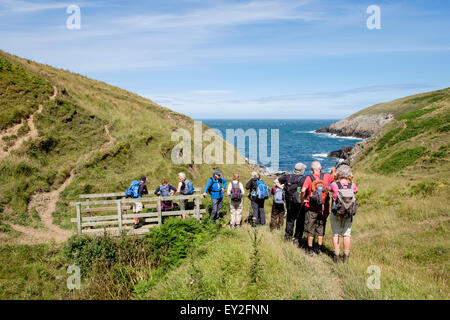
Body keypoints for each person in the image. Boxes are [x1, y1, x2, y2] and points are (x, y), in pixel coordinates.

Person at [301, 161, 334, 256]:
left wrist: (303, 200)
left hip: (311, 208)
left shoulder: (309, 178)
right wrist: (333, 170)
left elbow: (303, 190)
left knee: (310, 228)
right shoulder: (327, 176)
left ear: (311, 169)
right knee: (321, 228)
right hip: (324, 208)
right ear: (321, 168)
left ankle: (310, 249)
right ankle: (319, 249)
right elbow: (334, 177)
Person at [329, 165, 358, 263]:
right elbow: (356, 191)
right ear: (349, 175)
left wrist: (334, 178)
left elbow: (330, 188)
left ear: (339, 174)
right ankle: (346, 256)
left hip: (336, 212)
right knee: (346, 235)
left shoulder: (334, 185)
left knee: (336, 234)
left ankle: (336, 256)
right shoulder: (352, 186)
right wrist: (352, 180)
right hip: (348, 213)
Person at [274, 163, 307, 246]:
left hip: (289, 202)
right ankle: (297, 238)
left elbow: (276, 181)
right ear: (302, 170)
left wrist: (283, 188)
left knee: (290, 220)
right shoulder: (304, 179)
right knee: (300, 221)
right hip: (300, 203)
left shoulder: (288, 176)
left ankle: (288, 236)